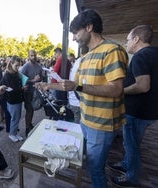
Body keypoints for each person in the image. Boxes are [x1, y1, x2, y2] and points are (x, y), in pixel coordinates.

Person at [36, 9, 128, 187]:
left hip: (101, 125)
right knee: (91, 164)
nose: (73, 38)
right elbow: (71, 84)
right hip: (86, 121)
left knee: (96, 169)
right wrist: (48, 85)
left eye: (75, 33)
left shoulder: (112, 50)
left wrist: (78, 86)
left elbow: (116, 89)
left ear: (89, 27)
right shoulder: (85, 57)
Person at [108, 25, 158, 187]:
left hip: (137, 111)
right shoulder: (155, 53)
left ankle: (131, 177)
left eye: (128, 40)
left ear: (136, 39)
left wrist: (121, 91)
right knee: (133, 142)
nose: (126, 43)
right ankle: (125, 164)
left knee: (131, 145)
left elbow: (143, 86)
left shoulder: (140, 56)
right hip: (149, 111)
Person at [1, 56, 25, 142]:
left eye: (19, 65)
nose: (18, 67)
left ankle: (14, 132)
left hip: (17, 99)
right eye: (16, 65)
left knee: (16, 117)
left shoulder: (15, 73)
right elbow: (11, 89)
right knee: (15, 118)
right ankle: (12, 134)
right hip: (12, 100)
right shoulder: (7, 75)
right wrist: (22, 88)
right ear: (11, 64)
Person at [20, 49, 43, 136]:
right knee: (29, 110)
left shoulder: (39, 66)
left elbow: (41, 78)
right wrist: (33, 80)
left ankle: (30, 124)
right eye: (31, 55)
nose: (33, 57)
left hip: (35, 92)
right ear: (28, 56)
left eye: (34, 55)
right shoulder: (25, 66)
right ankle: (26, 128)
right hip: (28, 92)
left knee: (32, 109)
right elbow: (22, 80)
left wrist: (39, 79)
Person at [67, 46, 88, 124]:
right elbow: (80, 82)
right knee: (79, 125)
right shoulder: (83, 61)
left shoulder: (78, 61)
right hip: (77, 101)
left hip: (74, 99)